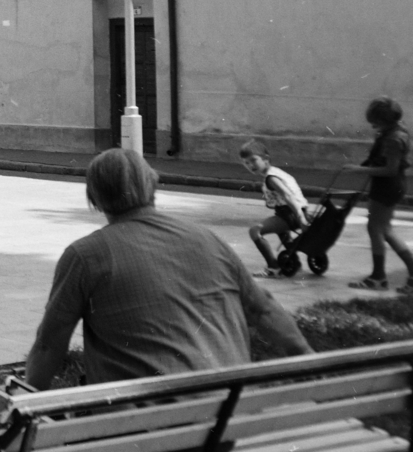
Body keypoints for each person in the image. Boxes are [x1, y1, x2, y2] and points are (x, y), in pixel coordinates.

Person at [25, 149, 310, 394]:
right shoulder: (206, 238)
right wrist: (311, 364)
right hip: (225, 426)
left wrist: (23, 408)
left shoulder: (85, 256)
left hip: (146, 444)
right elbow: (264, 309)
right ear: (153, 185)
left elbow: (48, 347)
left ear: (95, 199)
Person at [345, 97, 413, 292]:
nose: (373, 125)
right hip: (392, 186)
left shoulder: (393, 138)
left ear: (384, 120)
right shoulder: (397, 131)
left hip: (387, 186)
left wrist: (357, 170)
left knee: (376, 229)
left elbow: (390, 169)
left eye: (376, 121)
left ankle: (378, 277)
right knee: (385, 230)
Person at [240, 139, 310, 277]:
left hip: (291, 214)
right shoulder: (276, 172)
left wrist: (300, 218)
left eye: (253, 160)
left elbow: (288, 195)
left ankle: (273, 267)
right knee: (281, 230)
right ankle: (294, 262)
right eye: (246, 163)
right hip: (294, 211)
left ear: (266, 159)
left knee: (255, 231)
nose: (250, 165)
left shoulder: (271, 178)